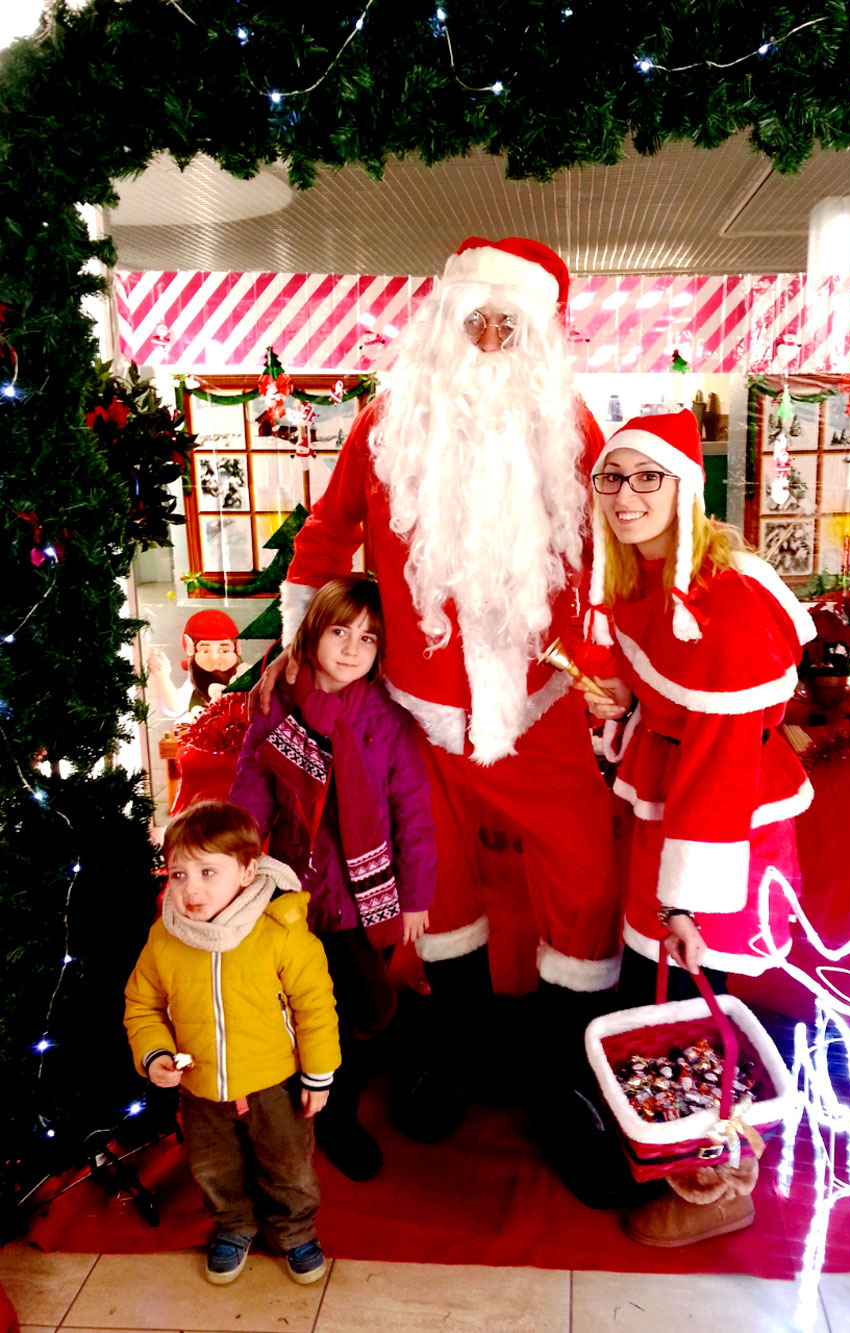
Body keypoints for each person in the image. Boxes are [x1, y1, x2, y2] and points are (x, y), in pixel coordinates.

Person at [257, 237, 623, 1148]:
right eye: (478, 318)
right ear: (445, 321)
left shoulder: (570, 427)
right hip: (417, 715)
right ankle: (457, 1045)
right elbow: (324, 534)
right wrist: (301, 647)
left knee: (584, 876)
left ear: (539, 337)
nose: (492, 336)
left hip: (540, 705)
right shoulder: (387, 426)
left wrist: (625, 657)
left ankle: (563, 1075)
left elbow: (616, 550)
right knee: (439, 883)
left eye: (512, 323)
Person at [582, 409, 816, 1244]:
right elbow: (663, 698)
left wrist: (684, 902)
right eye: (614, 476)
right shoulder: (645, 574)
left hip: (721, 822)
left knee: (693, 989)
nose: (627, 495)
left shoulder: (728, 598)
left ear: (687, 484)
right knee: (674, 992)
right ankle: (680, 1153)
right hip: (679, 795)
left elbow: (720, 755)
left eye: (649, 477)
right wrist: (624, 706)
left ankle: (718, 1184)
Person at [231, 576, 436, 1181]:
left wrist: (418, 894)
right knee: (302, 1004)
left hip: (364, 895)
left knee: (368, 1008)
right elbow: (251, 792)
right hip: (294, 891)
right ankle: (319, 1111)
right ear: (314, 632)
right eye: (340, 631)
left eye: (368, 638)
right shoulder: (275, 707)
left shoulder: (386, 720)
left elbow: (412, 812)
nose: (351, 649)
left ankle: (339, 1102)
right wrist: (238, 868)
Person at [123, 800, 339, 1285]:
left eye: (207, 872)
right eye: (178, 875)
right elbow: (142, 1005)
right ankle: (234, 1224)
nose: (191, 889)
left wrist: (319, 1074)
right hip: (200, 1088)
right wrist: (154, 1053)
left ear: (246, 871)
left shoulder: (279, 933)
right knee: (214, 1167)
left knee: (288, 1166)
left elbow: (315, 1007)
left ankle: (295, 1230)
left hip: (274, 1085)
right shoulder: (165, 939)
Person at [147, 609, 243, 719]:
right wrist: (163, 676)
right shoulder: (196, 681)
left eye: (224, 650)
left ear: (237, 647)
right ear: (190, 648)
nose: (215, 658)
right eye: (205, 651)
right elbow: (175, 707)